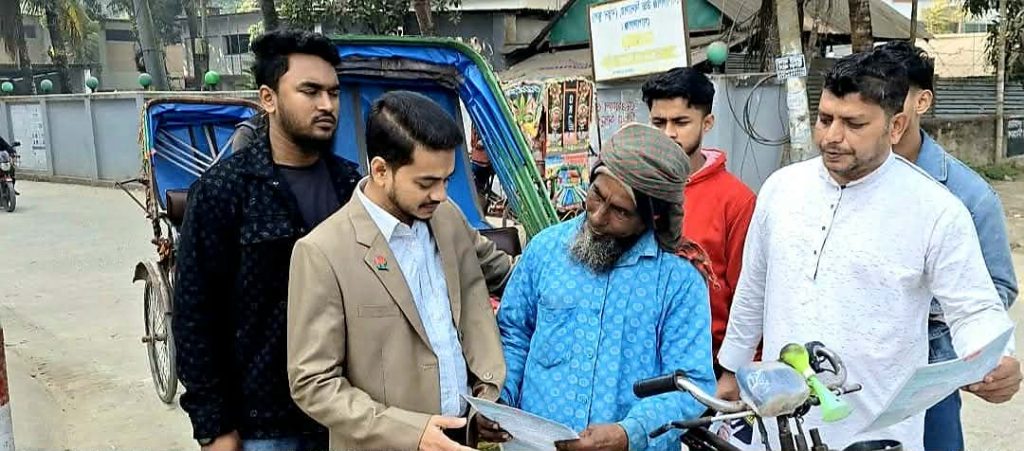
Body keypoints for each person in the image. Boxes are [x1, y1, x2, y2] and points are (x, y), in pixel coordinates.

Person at [717, 50, 1021, 449]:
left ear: (896, 126)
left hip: (879, 431)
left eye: (854, 124)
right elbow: (753, 289)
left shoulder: (936, 210)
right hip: (780, 426)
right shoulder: (780, 189)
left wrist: (997, 360)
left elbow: (974, 308)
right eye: (825, 119)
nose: (832, 137)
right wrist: (732, 369)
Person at [286, 91, 514, 451]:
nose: (440, 194)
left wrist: (485, 398)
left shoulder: (448, 218)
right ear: (380, 171)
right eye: (426, 183)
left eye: (447, 180)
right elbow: (313, 383)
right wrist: (411, 432)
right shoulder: (324, 253)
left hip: (464, 436)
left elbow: (508, 277)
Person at [173, 30, 362, 451]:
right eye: (310, 91)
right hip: (265, 424)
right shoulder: (225, 190)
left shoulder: (353, 187)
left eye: (333, 92)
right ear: (268, 98)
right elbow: (194, 314)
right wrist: (213, 425)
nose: (327, 105)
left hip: (349, 413)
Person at [497, 123, 716, 451]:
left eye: (620, 211)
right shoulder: (545, 250)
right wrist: (501, 398)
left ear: (652, 217)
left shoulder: (678, 281)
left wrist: (630, 434)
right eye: (596, 195)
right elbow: (513, 336)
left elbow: (691, 384)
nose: (598, 217)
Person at [877, 41, 1019, 451]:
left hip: (926, 375)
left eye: (891, 96)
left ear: (921, 102)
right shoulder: (836, 182)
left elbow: (998, 286)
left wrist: (927, 313)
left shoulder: (968, 195)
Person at [642, 67, 756, 367]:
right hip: (638, 356)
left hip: (706, 361)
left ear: (707, 122)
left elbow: (748, 293)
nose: (668, 133)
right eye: (658, 122)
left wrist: (737, 369)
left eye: (680, 122)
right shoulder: (633, 188)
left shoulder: (736, 200)